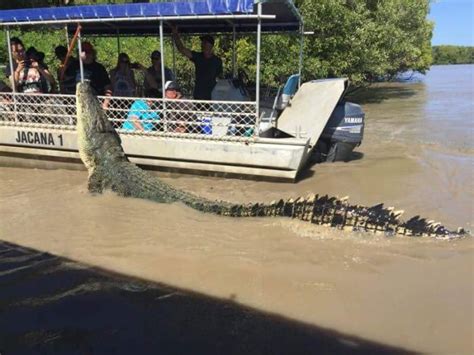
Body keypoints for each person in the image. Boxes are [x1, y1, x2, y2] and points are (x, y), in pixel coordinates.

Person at [171, 25, 223, 100]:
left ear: (210, 45)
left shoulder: (217, 61)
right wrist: (175, 34)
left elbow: (220, 79)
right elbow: (181, 49)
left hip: (213, 96)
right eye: (202, 43)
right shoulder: (198, 57)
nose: (202, 45)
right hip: (199, 95)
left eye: (205, 43)